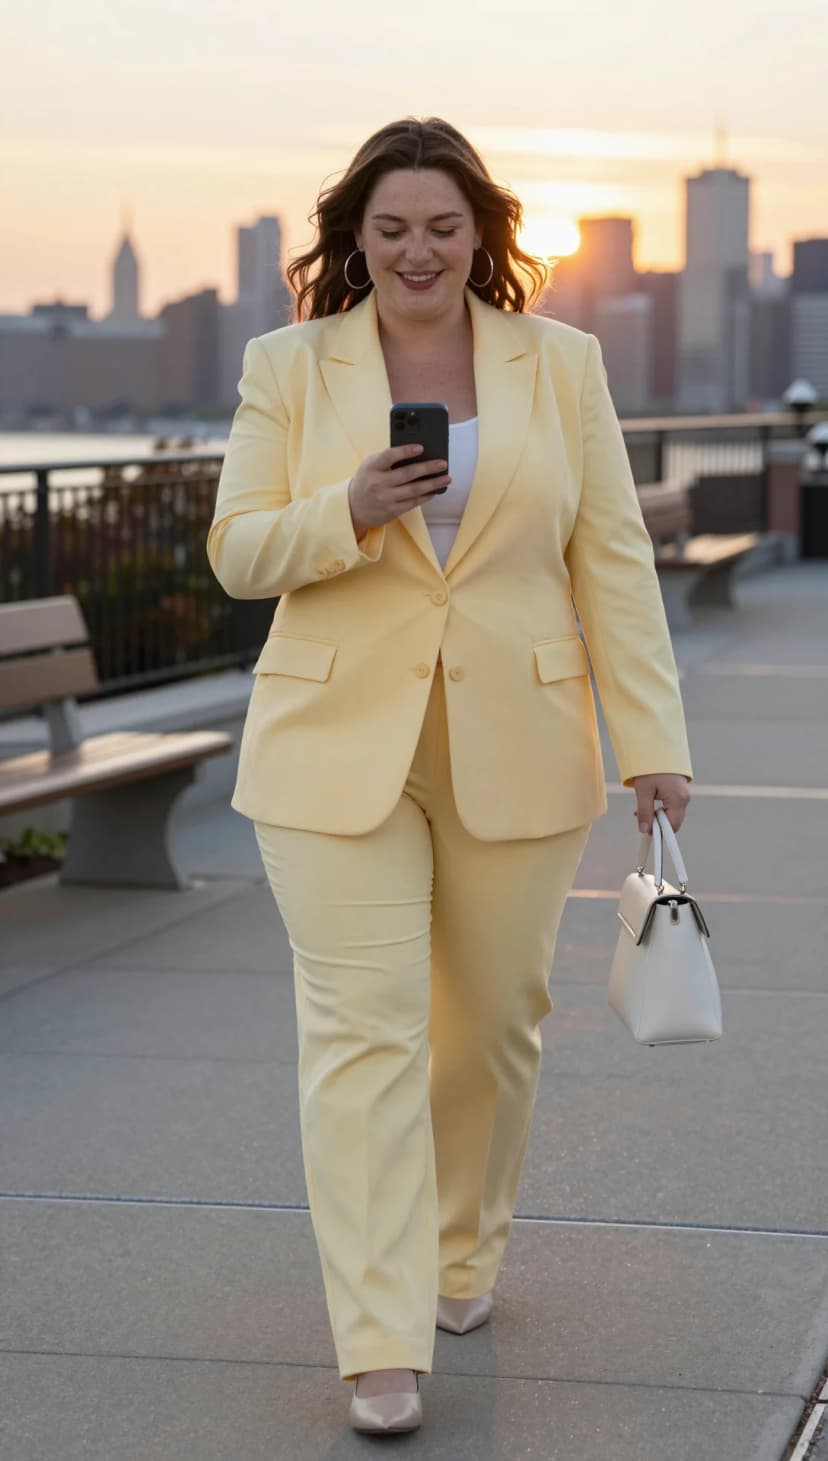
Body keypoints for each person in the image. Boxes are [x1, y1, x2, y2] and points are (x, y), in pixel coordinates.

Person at [206, 115, 693, 1435]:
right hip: (331, 750)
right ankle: (377, 1332)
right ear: (354, 240)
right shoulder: (289, 366)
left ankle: (462, 1254)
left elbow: (610, 562)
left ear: (481, 233)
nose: (416, 249)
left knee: (491, 1021)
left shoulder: (563, 364)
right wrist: (348, 509)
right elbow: (239, 552)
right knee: (364, 1034)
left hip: (520, 742)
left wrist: (653, 739)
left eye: (440, 225)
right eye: (390, 228)